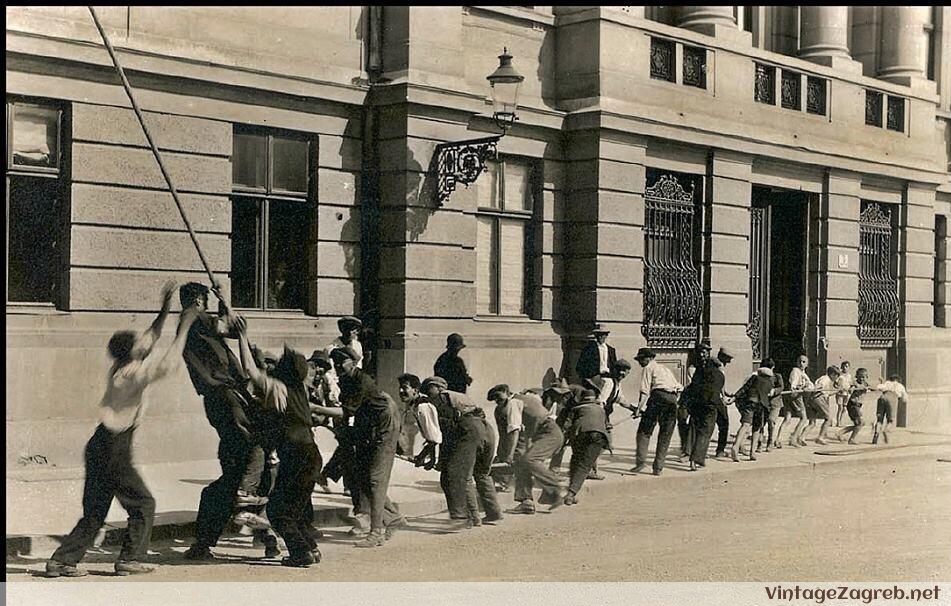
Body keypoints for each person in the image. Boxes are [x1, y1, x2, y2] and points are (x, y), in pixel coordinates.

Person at [46, 282, 197, 578]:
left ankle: (61, 561)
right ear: (132, 353)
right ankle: (131, 558)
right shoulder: (132, 375)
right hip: (115, 447)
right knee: (143, 503)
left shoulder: (122, 365)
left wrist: (165, 310)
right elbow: (166, 363)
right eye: (139, 345)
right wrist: (185, 326)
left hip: (99, 443)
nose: (145, 344)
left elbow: (150, 338)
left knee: (94, 511)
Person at [178, 282, 266, 562]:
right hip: (225, 394)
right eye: (205, 299)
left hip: (222, 397)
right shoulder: (194, 318)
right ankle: (248, 505)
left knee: (229, 478)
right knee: (256, 447)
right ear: (198, 301)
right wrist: (225, 299)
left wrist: (223, 302)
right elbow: (233, 326)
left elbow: (231, 328)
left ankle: (203, 543)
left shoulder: (195, 326)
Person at [235, 319, 321, 568]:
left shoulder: (278, 388)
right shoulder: (299, 390)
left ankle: (301, 553)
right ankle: (311, 549)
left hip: (296, 455)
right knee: (299, 510)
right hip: (311, 454)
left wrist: (242, 336)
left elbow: (251, 371)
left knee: (279, 512)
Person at [329, 347, 405, 546]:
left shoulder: (363, 380)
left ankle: (377, 531)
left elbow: (346, 411)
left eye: (342, 362)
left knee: (375, 479)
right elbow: (349, 416)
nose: (337, 366)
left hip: (384, 424)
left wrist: (315, 410)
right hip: (367, 424)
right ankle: (393, 518)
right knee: (362, 475)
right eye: (335, 363)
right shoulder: (345, 381)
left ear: (353, 363)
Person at [422, 376, 500, 529]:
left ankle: (465, 517)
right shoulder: (460, 397)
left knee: (458, 475)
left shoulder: (441, 398)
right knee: (481, 473)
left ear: (437, 388)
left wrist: (439, 458)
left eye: (428, 390)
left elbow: (444, 431)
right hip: (486, 429)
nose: (427, 395)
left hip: (469, 430)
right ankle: (493, 512)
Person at [488, 385, 566, 514]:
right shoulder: (525, 399)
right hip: (543, 433)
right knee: (521, 463)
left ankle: (555, 487)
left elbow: (514, 432)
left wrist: (509, 454)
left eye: (499, 398)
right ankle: (526, 502)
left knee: (530, 460)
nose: (498, 402)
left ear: (507, 392)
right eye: (495, 400)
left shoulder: (513, 403)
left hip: (549, 433)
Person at [631, 348, 684, 476]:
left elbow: (644, 391)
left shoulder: (648, 368)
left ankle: (641, 462)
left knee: (644, 431)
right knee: (665, 435)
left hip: (657, 398)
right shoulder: (665, 369)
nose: (639, 362)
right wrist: (674, 400)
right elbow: (680, 387)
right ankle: (658, 468)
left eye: (641, 359)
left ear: (649, 358)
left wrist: (638, 409)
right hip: (672, 400)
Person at [584, 359, 634, 479]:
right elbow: (600, 402)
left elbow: (621, 400)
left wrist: (635, 409)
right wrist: (605, 422)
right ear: (614, 370)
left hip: (601, 416)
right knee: (602, 443)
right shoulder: (609, 382)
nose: (622, 374)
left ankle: (589, 469)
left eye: (625, 372)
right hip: (597, 415)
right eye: (620, 370)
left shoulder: (617, 384)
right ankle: (587, 469)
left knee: (602, 444)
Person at [561, 389, 610, 506]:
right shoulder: (601, 410)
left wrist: (563, 439)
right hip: (597, 436)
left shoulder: (576, 409)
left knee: (575, 460)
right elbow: (607, 426)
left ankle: (571, 491)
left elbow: (567, 425)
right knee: (584, 465)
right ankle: (571, 494)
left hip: (580, 434)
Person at [688, 347, 733, 471]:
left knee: (700, 428)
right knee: (709, 429)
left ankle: (694, 453)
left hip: (699, 402)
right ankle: (700, 457)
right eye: (727, 358)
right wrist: (725, 397)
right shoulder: (719, 372)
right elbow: (719, 389)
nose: (729, 361)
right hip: (713, 402)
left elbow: (694, 385)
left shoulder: (700, 371)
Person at [730, 363, 775, 462]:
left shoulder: (754, 378)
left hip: (750, 403)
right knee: (756, 428)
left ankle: (736, 446)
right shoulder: (770, 383)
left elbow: (744, 389)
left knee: (745, 425)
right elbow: (769, 395)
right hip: (761, 406)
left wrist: (734, 397)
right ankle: (752, 452)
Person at [678, 342, 711, 461]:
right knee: (682, 421)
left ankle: (693, 450)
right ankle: (685, 449)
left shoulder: (709, 366)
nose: (702, 355)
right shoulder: (692, 367)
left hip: (700, 399)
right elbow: (692, 384)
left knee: (696, 424)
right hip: (689, 397)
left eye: (705, 352)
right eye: (700, 352)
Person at [776, 354, 813, 448]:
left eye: (804, 362)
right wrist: (797, 387)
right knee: (804, 418)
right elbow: (793, 383)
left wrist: (809, 387)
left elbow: (810, 385)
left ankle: (778, 439)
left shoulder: (803, 374)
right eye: (800, 361)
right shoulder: (796, 371)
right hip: (795, 396)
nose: (801, 363)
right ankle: (793, 438)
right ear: (797, 362)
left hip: (792, 396)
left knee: (787, 418)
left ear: (807, 364)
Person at [837, 368, 871, 444]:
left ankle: (841, 432)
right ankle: (852, 439)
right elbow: (851, 388)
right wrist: (852, 389)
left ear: (867, 377)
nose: (862, 379)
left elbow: (872, 388)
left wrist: (871, 388)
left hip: (858, 405)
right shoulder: (855, 383)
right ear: (857, 376)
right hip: (853, 405)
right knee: (860, 423)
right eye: (860, 377)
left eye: (864, 377)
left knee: (859, 424)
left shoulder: (865, 384)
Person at [807, 366, 840, 445]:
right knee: (828, 418)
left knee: (812, 422)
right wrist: (814, 388)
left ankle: (801, 437)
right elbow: (819, 386)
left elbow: (827, 394)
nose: (837, 378)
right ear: (832, 374)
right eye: (837, 376)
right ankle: (820, 437)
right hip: (818, 398)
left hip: (814, 399)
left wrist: (837, 391)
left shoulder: (825, 379)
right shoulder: (825, 379)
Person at [760, 358, 785, 452]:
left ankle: (770, 441)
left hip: (775, 403)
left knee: (771, 421)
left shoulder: (777, 376)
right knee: (761, 423)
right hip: (764, 403)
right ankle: (759, 443)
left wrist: (774, 391)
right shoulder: (760, 377)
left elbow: (781, 387)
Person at [873, 375, 907, 445]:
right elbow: (905, 398)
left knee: (879, 419)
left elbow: (879, 387)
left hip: (882, 397)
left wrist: (882, 383)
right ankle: (886, 430)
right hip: (893, 398)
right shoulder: (900, 386)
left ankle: (876, 434)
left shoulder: (887, 383)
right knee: (890, 420)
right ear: (898, 380)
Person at [835, 361, 853, 427]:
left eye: (847, 366)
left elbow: (851, 384)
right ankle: (838, 422)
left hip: (847, 393)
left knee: (845, 408)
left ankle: (841, 420)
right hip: (840, 393)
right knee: (840, 407)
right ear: (841, 367)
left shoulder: (849, 376)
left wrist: (850, 389)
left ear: (849, 367)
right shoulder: (839, 375)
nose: (845, 368)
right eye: (844, 366)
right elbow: (835, 384)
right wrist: (838, 388)